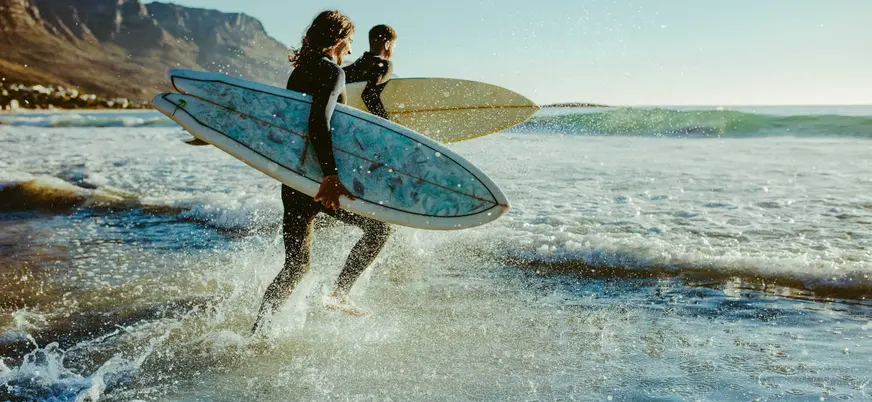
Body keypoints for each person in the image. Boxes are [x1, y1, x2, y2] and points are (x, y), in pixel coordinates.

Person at [252, 10, 391, 334]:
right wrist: (330, 176)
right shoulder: (331, 72)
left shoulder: (299, 72)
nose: (351, 51)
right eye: (351, 43)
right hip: (319, 180)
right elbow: (320, 122)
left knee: (296, 267)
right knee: (379, 229)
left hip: (295, 179)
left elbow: (291, 125)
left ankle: (258, 333)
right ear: (340, 39)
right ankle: (340, 293)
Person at [343, 24, 397, 119]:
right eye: (394, 46)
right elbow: (368, 95)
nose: (394, 50)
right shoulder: (385, 65)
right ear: (387, 44)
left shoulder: (351, 68)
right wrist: (386, 122)